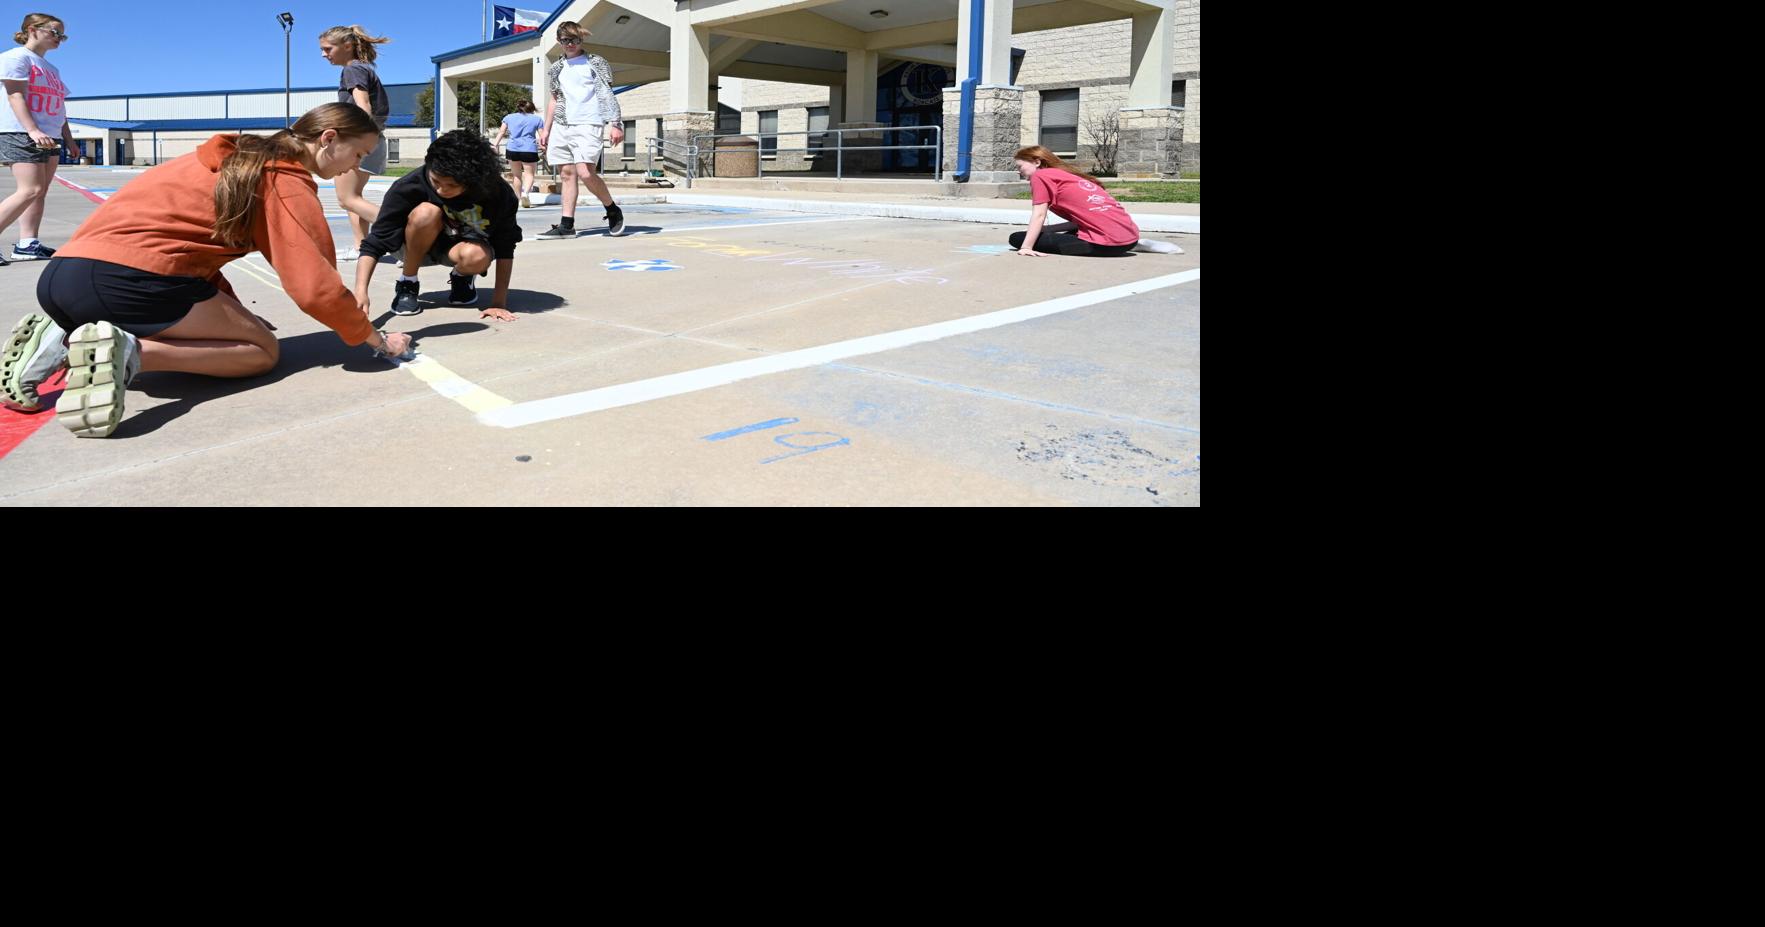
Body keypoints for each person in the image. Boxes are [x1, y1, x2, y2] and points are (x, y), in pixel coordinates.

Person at [2, 103, 413, 436]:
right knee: (260, 353)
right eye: (358, 154)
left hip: (62, 278)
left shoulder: (226, 159)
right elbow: (314, 287)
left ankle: (58, 336)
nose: (354, 166)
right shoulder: (282, 180)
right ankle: (125, 352)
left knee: (232, 331)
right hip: (131, 282)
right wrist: (375, 340)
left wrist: (236, 313)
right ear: (328, 139)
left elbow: (190, 253)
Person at [354, 129, 522, 323]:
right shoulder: (409, 186)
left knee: (478, 255)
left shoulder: (498, 194)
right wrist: (360, 292)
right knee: (427, 212)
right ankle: (408, 283)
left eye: (451, 185)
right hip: (410, 247)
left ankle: (462, 278)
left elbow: (505, 245)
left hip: (456, 248)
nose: (441, 190)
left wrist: (498, 303)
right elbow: (375, 242)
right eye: (436, 181)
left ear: (472, 181)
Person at [536, 19, 625, 239]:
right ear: (559, 41)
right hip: (562, 124)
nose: (570, 44)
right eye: (565, 40)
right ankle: (567, 225)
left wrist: (615, 123)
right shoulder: (556, 67)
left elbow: (606, 93)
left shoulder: (595, 62)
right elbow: (554, 99)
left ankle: (612, 209)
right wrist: (546, 129)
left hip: (589, 123)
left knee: (585, 172)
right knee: (567, 174)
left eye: (574, 39)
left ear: (581, 39)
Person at [1008, 145, 1181, 257]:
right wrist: (1048, 229)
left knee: (1017, 238)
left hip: (1106, 246)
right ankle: (1136, 244)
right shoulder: (1067, 176)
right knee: (1046, 234)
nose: (1019, 172)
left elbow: (1039, 214)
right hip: (1130, 238)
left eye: (1020, 167)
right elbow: (1081, 220)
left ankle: (1119, 245)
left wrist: (1026, 247)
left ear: (1037, 162)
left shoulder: (1041, 176)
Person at [0, 12, 73, 266]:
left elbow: (59, 107)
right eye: (54, 32)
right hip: (22, 132)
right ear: (32, 29)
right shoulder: (14, 58)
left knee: (39, 192)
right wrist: (32, 130)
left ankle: (27, 244)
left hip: (49, 135)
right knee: (29, 190)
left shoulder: (51, 68)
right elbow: (15, 97)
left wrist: (69, 139)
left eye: (62, 35)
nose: (59, 39)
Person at [319, 24, 392, 261]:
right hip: (369, 137)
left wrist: (358, 141)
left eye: (328, 48)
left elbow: (364, 107)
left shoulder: (353, 69)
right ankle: (362, 248)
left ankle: (405, 234)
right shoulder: (363, 68)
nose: (324, 54)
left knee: (346, 198)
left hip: (356, 138)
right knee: (354, 198)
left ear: (347, 46)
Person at [494, 100, 544, 207]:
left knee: (516, 175)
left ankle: (518, 198)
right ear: (532, 109)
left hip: (512, 149)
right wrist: (545, 147)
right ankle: (525, 194)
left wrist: (495, 144)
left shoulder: (509, 117)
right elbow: (541, 136)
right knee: (529, 174)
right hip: (529, 149)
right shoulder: (537, 119)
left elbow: (502, 132)